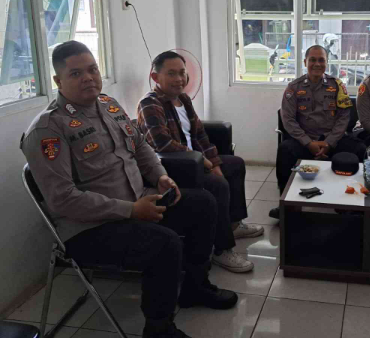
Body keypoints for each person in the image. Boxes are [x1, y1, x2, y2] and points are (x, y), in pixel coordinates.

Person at [21, 42, 238, 338]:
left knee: (203, 204)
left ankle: (195, 288)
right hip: (91, 228)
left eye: (92, 69)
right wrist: (131, 210)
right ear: (58, 81)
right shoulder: (48, 129)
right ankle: (159, 329)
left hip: (139, 201)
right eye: (76, 73)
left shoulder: (108, 105)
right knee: (164, 244)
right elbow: (62, 200)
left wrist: (160, 176)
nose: (88, 78)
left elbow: (140, 146)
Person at [137, 51, 263, 273]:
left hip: (195, 161)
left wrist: (214, 161)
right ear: (155, 77)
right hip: (173, 167)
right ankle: (222, 249)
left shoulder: (183, 99)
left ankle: (233, 224)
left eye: (182, 73)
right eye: (171, 74)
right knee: (218, 185)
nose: (179, 79)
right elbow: (162, 144)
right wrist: (202, 160)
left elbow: (199, 134)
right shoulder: (150, 104)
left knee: (235, 164)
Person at [271, 45, 366, 219]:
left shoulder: (337, 86)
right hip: (305, 141)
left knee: (359, 149)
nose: (317, 64)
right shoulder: (294, 87)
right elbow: (288, 120)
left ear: (327, 63)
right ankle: (287, 205)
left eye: (321, 60)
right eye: (312, 60)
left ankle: (350, 204)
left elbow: (344, 117)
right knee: (284, 150)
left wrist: (329, 143)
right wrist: (308, 143)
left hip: (332, 140)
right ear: (305, 62)